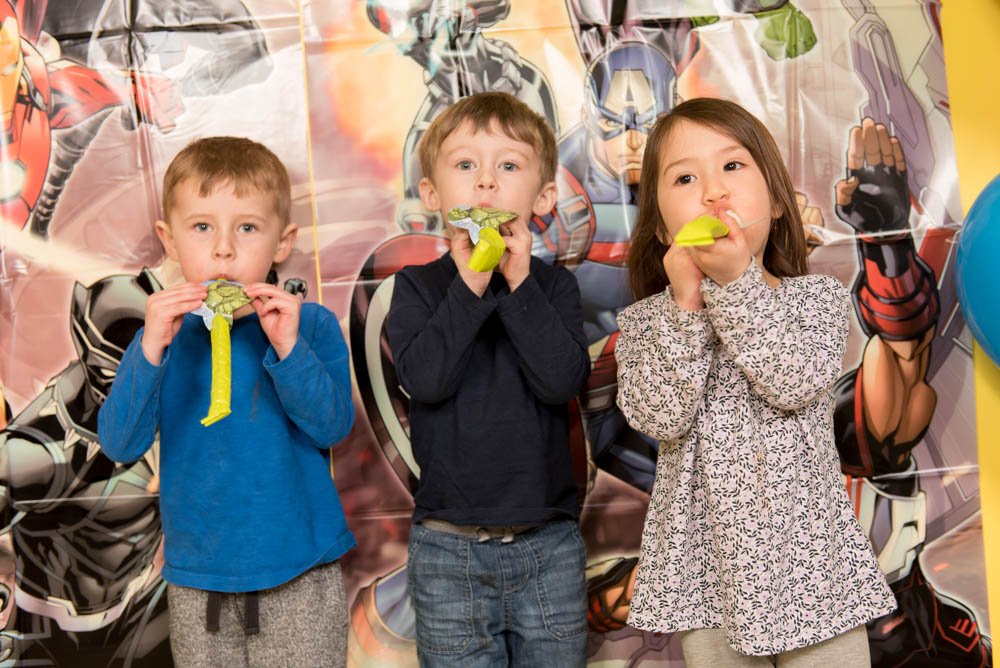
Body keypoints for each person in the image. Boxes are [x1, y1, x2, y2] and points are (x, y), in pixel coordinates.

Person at [615, 97, 896, 667]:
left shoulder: (812, 300)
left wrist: (738, 280)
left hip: (812, 568)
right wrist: (686, 306)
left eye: (732, 166)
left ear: (776, 201)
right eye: (685, 178)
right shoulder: (648, 322)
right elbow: (659, 417)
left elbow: (792, 381)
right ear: (662, 228)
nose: (713, 192)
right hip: (707, 573)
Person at [97, 137, 355, 667]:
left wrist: (288, 348)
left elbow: (331, 427)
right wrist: (149, 350)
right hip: (199, 578)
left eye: (247, 228)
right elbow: (120, 444)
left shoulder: (311, 325)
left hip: (300, 570)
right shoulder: (160, 339)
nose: (223, 249)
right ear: (169, 241)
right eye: (201, 227)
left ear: (282, 242)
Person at [386, 91, 591, 667]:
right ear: (432, 195)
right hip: (447, 549)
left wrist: (518, 281)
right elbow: (425, 381)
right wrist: (472, 280)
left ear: (543, 197)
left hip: (548, 544)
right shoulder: (416, 287)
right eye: (465, 165)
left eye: (508, 165)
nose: (486, 182)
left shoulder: (553, 287)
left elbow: (561, 383)